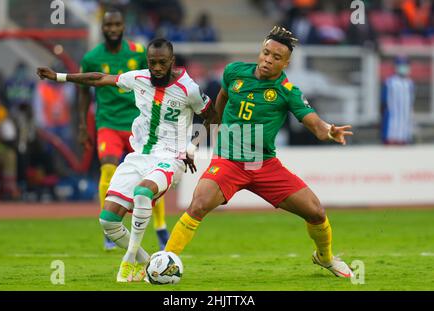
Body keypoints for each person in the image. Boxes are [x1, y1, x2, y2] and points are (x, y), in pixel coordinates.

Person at [164, 26, 355, 278]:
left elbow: (315, 124)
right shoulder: (234, 72)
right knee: (198, 205)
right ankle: (164, 261)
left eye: (276, 58)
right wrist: (194, 144)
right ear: (260, 51)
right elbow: (217, 109)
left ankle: (325, 257)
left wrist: (329, 130)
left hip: (263, 164)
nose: (268, 59)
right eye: (266, 53)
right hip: (228, 160)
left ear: (285, 63)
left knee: (316, 212)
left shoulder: (288, 92)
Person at [37, 38, 216, 282]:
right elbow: (99, 79)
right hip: (138, 156)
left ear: (172, 62)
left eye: (162, 63)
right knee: (107, 221)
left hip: (170, 158)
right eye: (152, 62)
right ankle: (147, 261)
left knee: (143, 192)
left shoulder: (190, 89)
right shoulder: (139, 78)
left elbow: (212, 116)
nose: (156, 68)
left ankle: (128, 260)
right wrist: (58, 76)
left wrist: (192, 147)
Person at [79, 9, 170, 251]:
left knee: (151, 173)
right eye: (108, 25)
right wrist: (81, 125)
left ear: (123, 26)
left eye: (117, 24)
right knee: (108, 166)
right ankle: (109, 230)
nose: (112, 29)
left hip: (137, 123)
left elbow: (156, 81)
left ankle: (160, 227)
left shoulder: (139, 53)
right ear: (102, 27)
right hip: (107, 122)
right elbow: (83, 91)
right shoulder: (91, 58)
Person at [381, 56, 415, 145]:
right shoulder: (389, 82)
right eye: (401, 65)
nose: (404, 68)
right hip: (391, 125)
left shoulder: (410, 83)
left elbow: (411, 104)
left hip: (405, 126)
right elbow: (383, 103)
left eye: (406, 65)